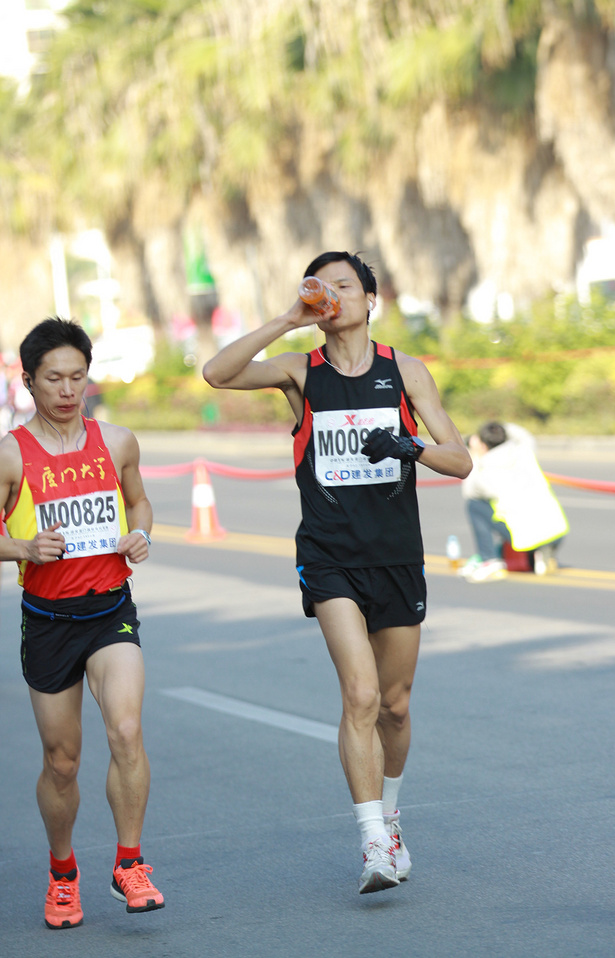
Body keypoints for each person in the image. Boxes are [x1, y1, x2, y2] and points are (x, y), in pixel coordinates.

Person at [203, 251, 472, 894]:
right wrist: (288, 318)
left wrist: (409, 447)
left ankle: (393, 815)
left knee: (397, 708)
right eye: (322, 288)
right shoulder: (301, 372)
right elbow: (217, 373)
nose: (334, 297)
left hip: (397, 556)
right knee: (361, 695)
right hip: (329, 558)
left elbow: (459, 461)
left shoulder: (405, 372)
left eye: (346, 286)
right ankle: (372, 838)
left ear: (370, 300)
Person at [0, 318, 164, 929]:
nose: (67, 390)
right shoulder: (11, 454)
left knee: (126, 729)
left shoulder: (117, 440)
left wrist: (141, 532)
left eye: (77, 377)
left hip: (109, 611)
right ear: (30, 382)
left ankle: (129, 862)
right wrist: (23, 550)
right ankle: (63, 872)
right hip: (46, 620)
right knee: (61, 761)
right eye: (53, 379)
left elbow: (139, 497)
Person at [460, 421, 569, 583]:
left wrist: (474, 455)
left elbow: (469, 492)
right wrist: (498, 428)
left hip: (525, 535)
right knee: (518, 510)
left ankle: (489, 559)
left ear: (482, 445)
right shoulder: (524, 450)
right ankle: (539, 555)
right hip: (556, 529)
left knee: (475, 505)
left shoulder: (485, 468)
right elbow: (523, 433)